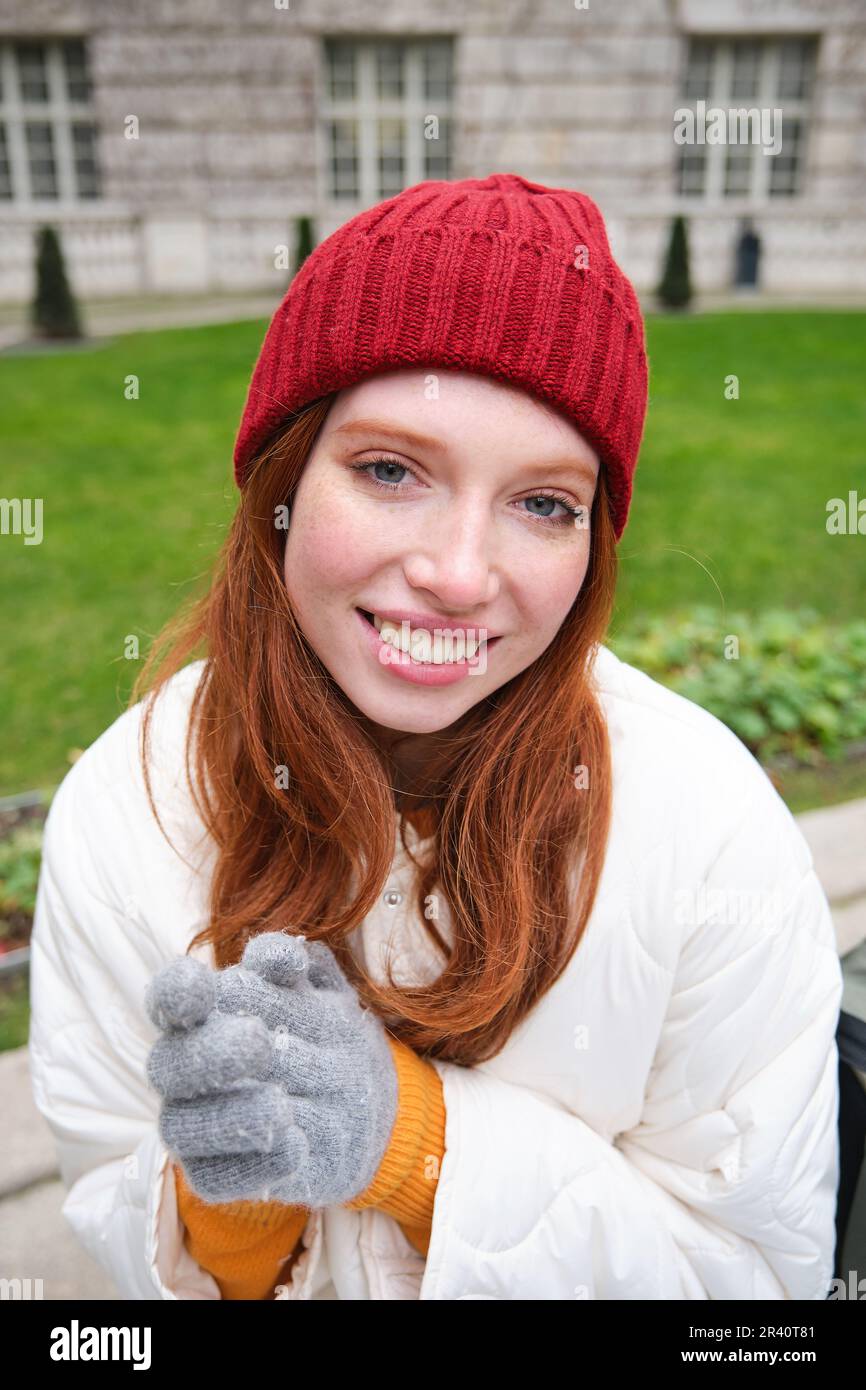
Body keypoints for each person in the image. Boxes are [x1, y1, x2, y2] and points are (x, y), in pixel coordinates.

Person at [28, 173, 843, 1301]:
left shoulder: (708, 825)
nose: (459, 575)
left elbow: (758, 1289)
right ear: (282, 474)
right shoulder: (131, 800)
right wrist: (228, 1212)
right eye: (389, 469)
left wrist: (416, 1143)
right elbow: (108, 1193)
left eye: (544, 502)